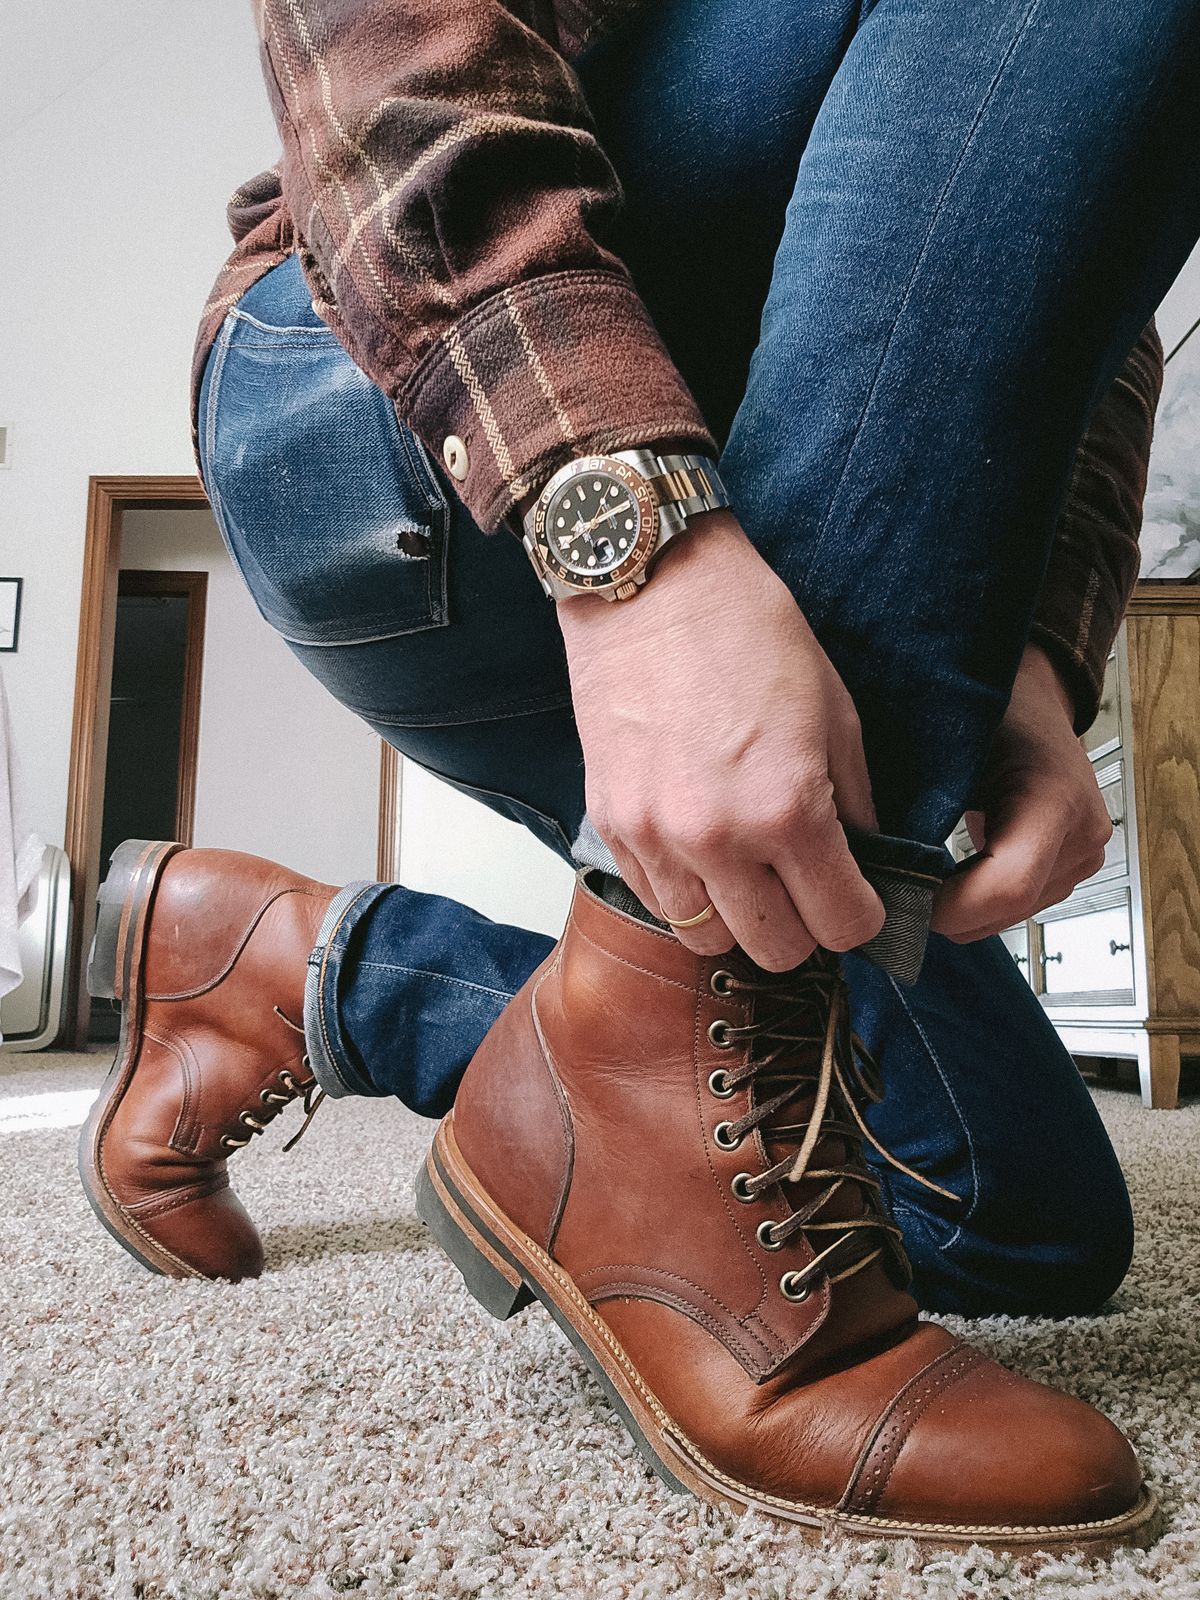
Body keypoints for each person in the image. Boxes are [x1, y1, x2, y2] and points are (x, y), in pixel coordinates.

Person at [80, 0, 1199, 1555]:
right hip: (383, 376)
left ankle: (320, 972)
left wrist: (1044, 652)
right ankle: (674, 1014)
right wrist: (632, 532)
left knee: (1016, 1215)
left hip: (782, 462)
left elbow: (1061, 235)